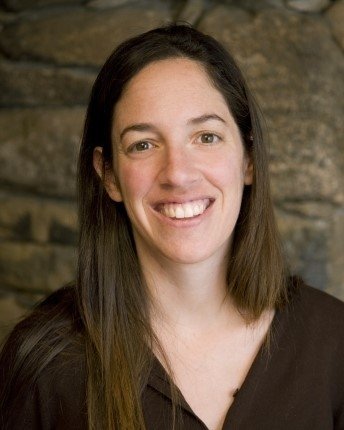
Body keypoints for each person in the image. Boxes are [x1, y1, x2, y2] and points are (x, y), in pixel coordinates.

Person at [0, 23, 343, 430]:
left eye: (206, 136)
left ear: (248, 159)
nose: (178, 174)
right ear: (108, 174)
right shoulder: (46, 363)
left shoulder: (334, 343)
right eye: (143, 144)